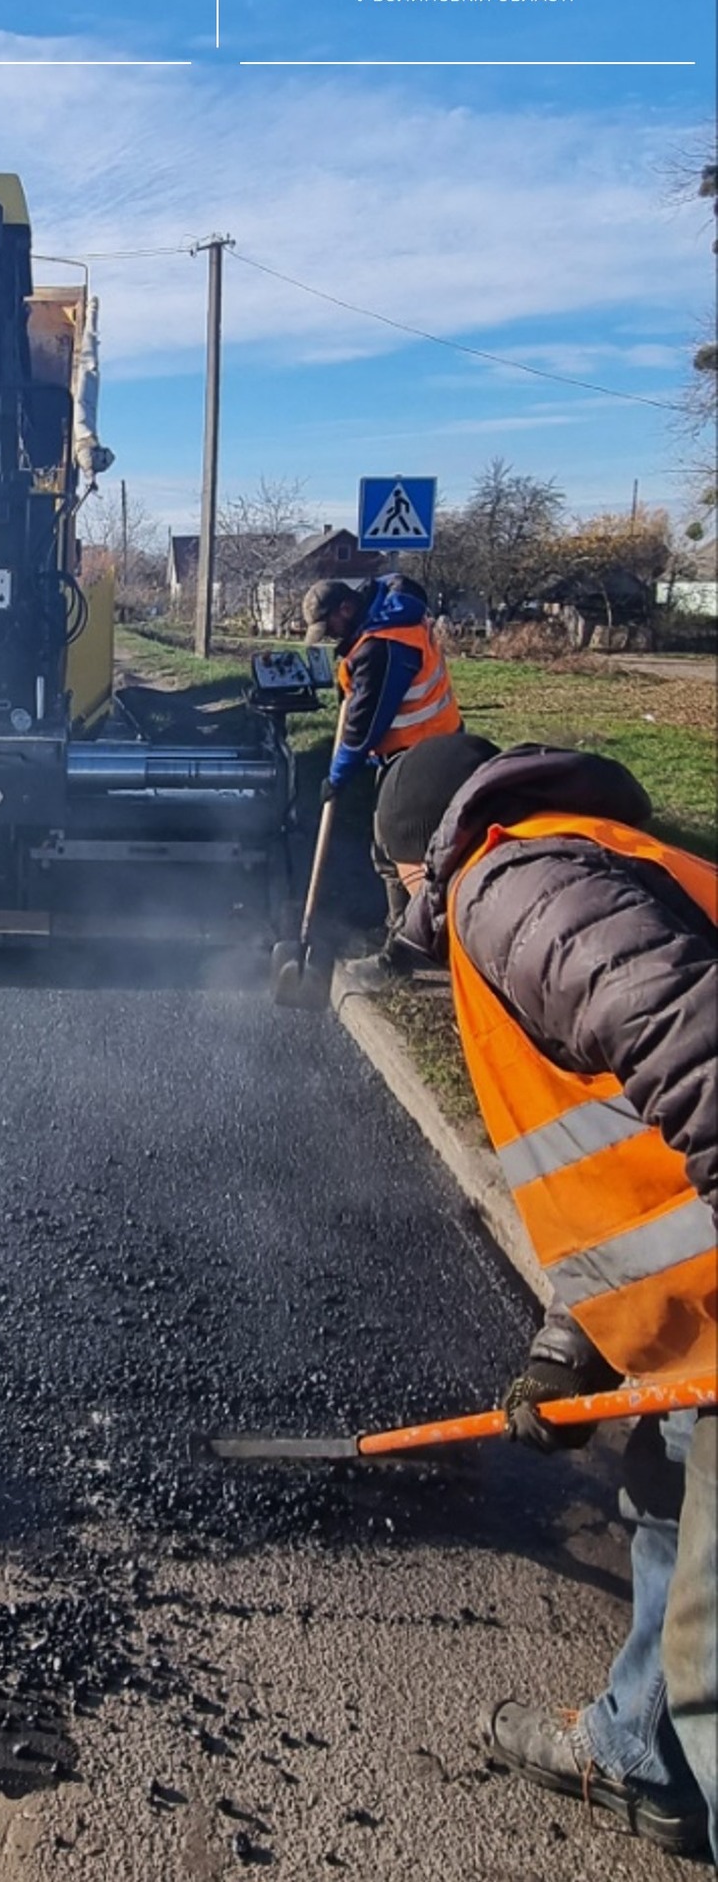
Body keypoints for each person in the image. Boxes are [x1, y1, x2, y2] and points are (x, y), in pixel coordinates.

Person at [376, 731, 717, 1860]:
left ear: (419, 855)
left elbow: (695, 1043)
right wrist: (571, 1339)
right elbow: (623, 1151)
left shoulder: (512, 887)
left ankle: (690, 1759)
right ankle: (638, 1754)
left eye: (393, 884)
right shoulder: (558, 871)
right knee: (664, 1491)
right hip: (693, 1312)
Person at [302, 572, 461, 989]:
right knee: (397, 852)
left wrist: (337, 776)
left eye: (330, 626)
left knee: (400, 856)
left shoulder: (381, 647)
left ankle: (402, 959)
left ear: (347, 609)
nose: (330, 636)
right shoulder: (388, 611)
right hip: (430, 745)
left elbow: (363, 726)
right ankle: (404, 935)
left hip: (423, 760)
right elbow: (392, 579)